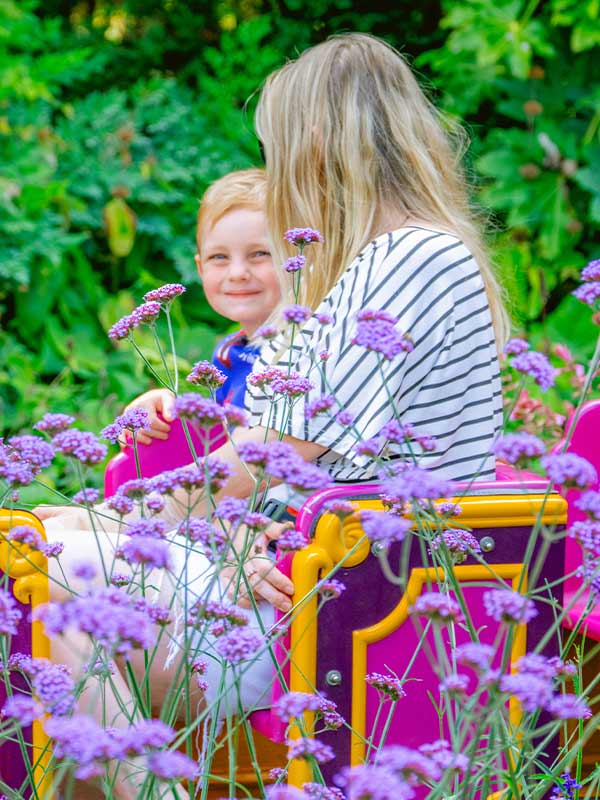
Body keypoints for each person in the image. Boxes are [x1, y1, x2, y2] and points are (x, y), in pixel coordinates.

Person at [35, 32, 508, 798]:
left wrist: (134, 514)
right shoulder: (393, 255)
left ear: (315, 140)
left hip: (349, 592)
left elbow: (282, 450)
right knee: (51, 549)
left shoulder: (404, 259)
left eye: (278, 147)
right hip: (307, 563)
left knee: (53, 569)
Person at [127, 168, 280, 446]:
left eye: (259, 254)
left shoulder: (307, 351)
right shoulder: (228, 353)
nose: (237, 273)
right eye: (219, 257)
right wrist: (160, 406)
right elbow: (210, 436)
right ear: (200, 267)